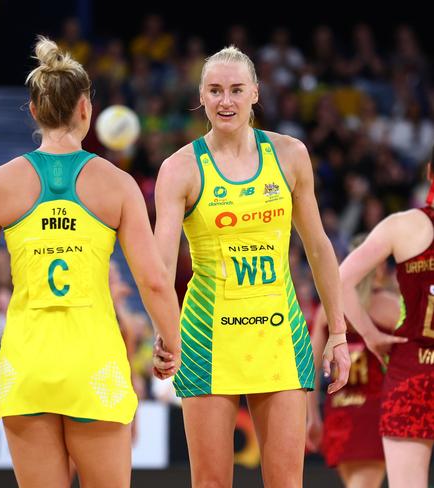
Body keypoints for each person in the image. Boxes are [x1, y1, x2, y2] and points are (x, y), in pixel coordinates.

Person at [0, 36, 181, 488]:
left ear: (33, 110)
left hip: (26, 366)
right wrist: (172, 341)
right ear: (86, 110)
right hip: (95, 366)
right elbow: (152, 281)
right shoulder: (117, 184)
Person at [152, 45, 351, 488]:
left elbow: (318, 247)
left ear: (255, 94)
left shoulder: (290, 155)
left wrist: (337, 332)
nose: (226, 101)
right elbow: (160, 264)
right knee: (211, 484)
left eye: (237, 90)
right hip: (206, 339)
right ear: (200, 97)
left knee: (285, 482)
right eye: (216, 90)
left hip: (280, 334)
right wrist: (163, 331)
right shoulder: (180, 168)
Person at [339, 150, 434, 488]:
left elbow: (340, 280)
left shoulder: (403, 225)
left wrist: (371, 335)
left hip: (413, 372)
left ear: (428, 172)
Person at [307, 235, 401, 488]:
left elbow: (309, 367)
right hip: (375, 410)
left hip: (338, 409)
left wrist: (312, 415)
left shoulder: (328, 309)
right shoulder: (392, 306)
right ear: (379, 266)